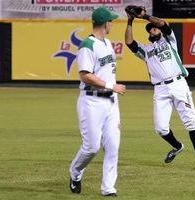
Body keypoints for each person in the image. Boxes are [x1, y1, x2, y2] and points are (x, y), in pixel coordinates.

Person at [124, 9, 195, 171]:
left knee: (190, 121)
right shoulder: (146, 51)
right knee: (161, 128)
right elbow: (129, 43)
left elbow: (163, 23)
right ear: (148, 33)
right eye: (150, 29)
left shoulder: (170, 40)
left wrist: (145, 17)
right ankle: (177, 146)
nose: (154, 29)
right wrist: (130, 21)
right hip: (160, 89)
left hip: (178, 84)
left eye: (154, 27)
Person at [69, 6, 126, 197]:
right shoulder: (88, 45)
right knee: (91, 147)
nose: (112, 23)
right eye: (111, 20)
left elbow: (107, 72)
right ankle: (75, 173)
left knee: (113, 146)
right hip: (91, 102)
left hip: (111, 102)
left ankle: (108, 188)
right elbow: (85, 75)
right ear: (105, 23)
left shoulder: (107, 43)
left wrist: (113, 91)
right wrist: (111, 86)